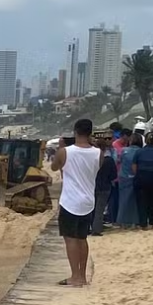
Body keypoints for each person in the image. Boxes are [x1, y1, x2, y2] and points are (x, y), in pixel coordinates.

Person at [52, 118, 100, 287]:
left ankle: (75, 277)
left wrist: (60, 147)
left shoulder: (65, 152)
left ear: (75, 131)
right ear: (90, 132)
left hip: (70, 201)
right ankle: (82, 276)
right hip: (88, 201)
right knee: (82, 238)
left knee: (70, 239)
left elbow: (54, 167)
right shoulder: (98, 153)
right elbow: (96, 169)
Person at [93, 131, 118, 236]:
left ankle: (88, 227)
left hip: (92, 185)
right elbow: (113, 175)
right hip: (105, 186)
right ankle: (97, 229)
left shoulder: (91, 159)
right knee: (100, 209)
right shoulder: (109, 160)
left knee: (91, 208)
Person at [117, 133, 143, 228]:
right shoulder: (141, 151)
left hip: (124, 177)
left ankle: (122, 221)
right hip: (137, 177)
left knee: (123, 200)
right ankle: (135, 221)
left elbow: (119, 161)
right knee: (136, 201)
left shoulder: (124, 151)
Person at [133, 132, 153, 229]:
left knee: (142, 202)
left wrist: (138, 175)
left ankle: (143, 224)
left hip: (141, 179)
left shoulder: (139, 152)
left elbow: (134, 167)